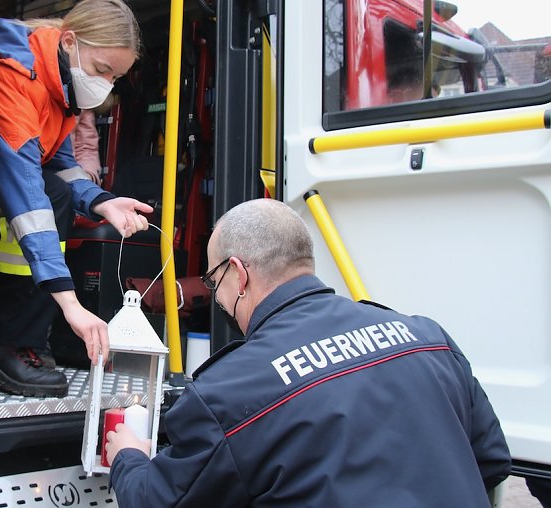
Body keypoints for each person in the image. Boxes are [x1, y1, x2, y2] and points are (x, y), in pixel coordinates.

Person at [105, 198, 511, 506]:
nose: (217, 298)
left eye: (214, 283)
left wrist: (129, 458)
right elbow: (491, 462)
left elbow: (159, 501)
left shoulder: (229, 393)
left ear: (238, 273)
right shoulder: (427, 337)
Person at [0, 0, 152, 398]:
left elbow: (61, 163)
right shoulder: (14, 74)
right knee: (47, 199)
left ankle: (23, 341)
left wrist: (101, 201)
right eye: (101, 70)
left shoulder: (62, 82)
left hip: (2, 190)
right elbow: (26, 191)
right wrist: (71, 305)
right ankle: (4, 345)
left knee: (55, 191)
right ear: (70, 41)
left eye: (114, 78)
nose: (105, 85)